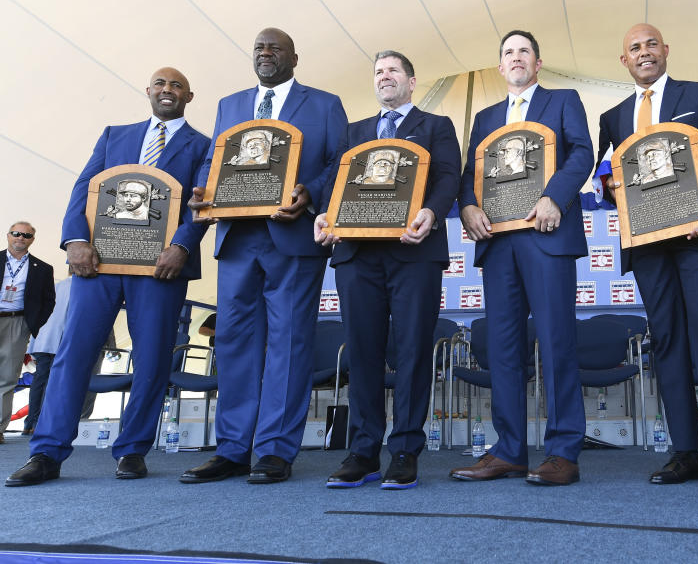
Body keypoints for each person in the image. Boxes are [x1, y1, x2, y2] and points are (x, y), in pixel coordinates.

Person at [6, 68, 209, 487]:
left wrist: (183, 245)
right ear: (148, 90)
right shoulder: (114, 134)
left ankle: (132, 449)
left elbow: (200, 202)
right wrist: (74, 240)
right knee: (73, 353)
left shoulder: (203, 145)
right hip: (97, 262)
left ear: (189, 96)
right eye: (160, 83)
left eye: (176, 85)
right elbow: (83, 188)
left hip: (160, 265)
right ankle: (46, 451)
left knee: (152, 358)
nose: (167, 90)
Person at [595, 23, 698, 495]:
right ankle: (685, 452)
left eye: (651, 44)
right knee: (666, 341)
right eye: (634, 48)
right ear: (623, 60)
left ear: (666, 50)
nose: (644, 52)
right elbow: (605, 173)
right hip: (648, 244)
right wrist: (606, 186)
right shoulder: (613, 116)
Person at [184, 28, 348, 484]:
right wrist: (204, 192)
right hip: (237, 239)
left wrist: (310, 193)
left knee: (290, 343)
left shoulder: (325, 104)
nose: (265, 53)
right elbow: (213, 162)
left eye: (274, 47)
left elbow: (340, 162)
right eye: (259, 47)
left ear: (295, 56)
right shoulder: (229, 105)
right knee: (233, 343)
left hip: (292, 237)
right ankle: (234, 448)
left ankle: (275, 449)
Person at [450, 30, 593, 486]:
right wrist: (468, 205)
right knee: (503, 349)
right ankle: (508, 450)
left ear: (537, 62)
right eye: (508, 52)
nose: (516, 58)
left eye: (524, 51)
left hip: (546, 234)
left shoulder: (563, 99)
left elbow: (583, 153)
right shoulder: (486, 117)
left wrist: (554, 196)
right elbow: (469, 171)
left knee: (556, 344)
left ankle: (563, 451)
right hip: (498, 243)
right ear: (500, 66)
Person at [316, 50, 460, 490]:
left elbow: (450, 176)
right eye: (379, 72)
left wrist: (432, 214)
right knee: (362, 352)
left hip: (413, 251)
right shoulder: (354, 131)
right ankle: (362, 452)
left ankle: (404, 450)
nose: (385, 77)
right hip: (358, 255)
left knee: (414, 351)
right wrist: (325, 215)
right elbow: (334, 183)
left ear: (412, 82)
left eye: (394, 70)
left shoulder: (436, 126)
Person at [23, 270, 115, 435]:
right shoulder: (89, 288)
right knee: (62, 383)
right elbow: (101, 316)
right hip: (66, 342)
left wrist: (33, 343)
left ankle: (31, 423)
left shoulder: (56, 286)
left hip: (45, 340)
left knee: (41, 382)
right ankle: (54, 424)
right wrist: (111, 346)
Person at [0, 223, 55, 444]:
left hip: (17, 322)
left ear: (32, 239)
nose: (20, 238)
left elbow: (49, 301)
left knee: (7, 377)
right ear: (8, 236)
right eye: (16, 233)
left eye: (26, 235)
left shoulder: (43, 268)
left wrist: (32, 324)